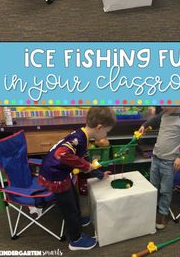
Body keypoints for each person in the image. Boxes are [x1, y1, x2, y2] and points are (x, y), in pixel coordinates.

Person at [38, 107, 116, 251]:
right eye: (107, 132)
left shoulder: (83, 136)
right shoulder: (79, 139)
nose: (106, 136)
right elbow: (61, 154)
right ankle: (75, 239)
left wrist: (99, 174)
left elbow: (83, 158)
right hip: (54, 177)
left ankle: (78, 219)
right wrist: (86, 166)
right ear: (99, 128)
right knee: (69, 208)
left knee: (74, 198)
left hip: (60, 174)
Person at [139, 107, 180, 230]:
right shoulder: (165, 113)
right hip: (156, 158)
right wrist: (144, 125)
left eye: (166, 103)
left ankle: (163, 213)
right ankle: (151, 207)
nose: (162, 106)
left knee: (165, 190)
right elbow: (153, 120)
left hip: (169, 162)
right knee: (153, 185)